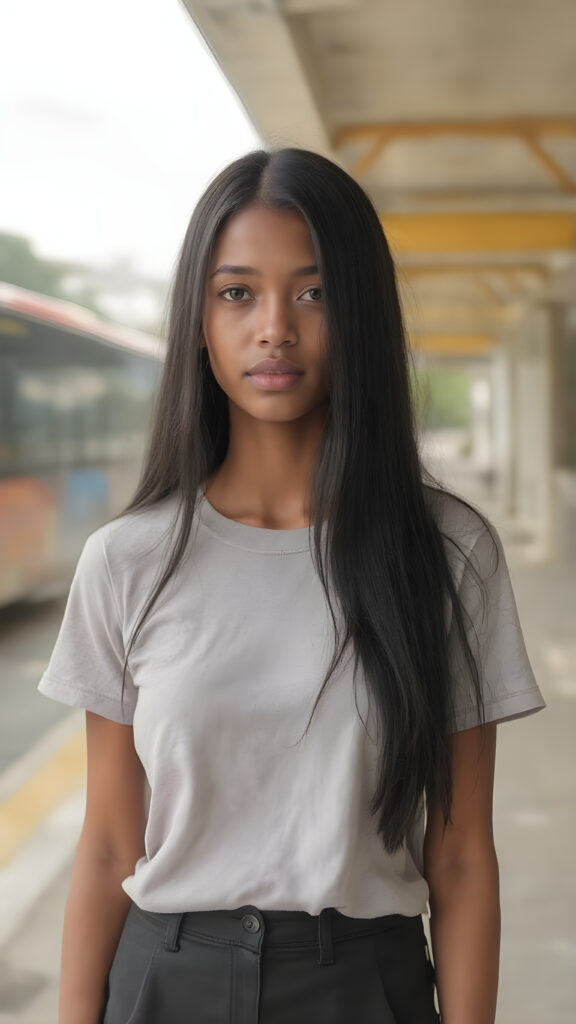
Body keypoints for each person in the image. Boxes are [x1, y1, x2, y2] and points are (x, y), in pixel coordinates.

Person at [38, 147, 545, 1024]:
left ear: (363, 317)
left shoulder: (447, 554)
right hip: (164, 984)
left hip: (363, 987)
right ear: (198, 321)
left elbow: (461, 858)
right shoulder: (128, 561)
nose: (275, 327)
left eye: (314, 293)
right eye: (237, 293)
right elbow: (109, 844)